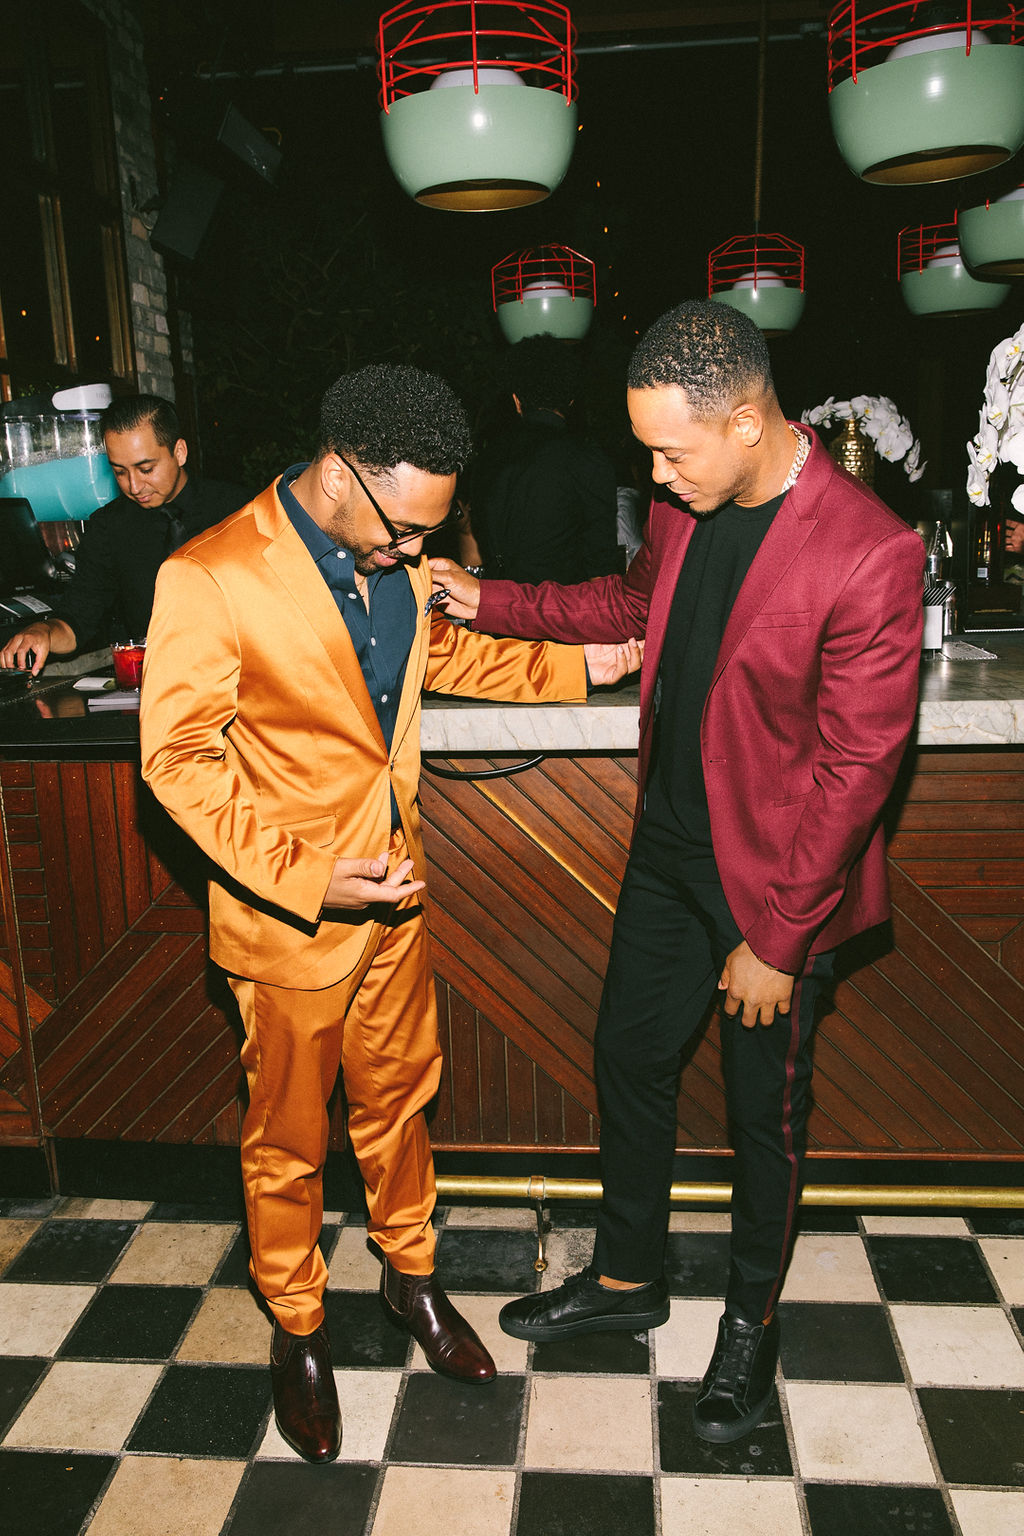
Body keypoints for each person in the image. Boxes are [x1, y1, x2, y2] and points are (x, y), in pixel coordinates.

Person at [430, 301, 924, 1445]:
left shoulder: (868, 548)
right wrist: (484, 598)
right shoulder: (687, 503)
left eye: (668, 450)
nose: (652, 472)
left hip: (774, 886)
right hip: (666, 850)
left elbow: (858, 768)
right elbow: (626, 605)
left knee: (764, 1114)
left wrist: (778, 939)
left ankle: (751, 1321)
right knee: (630, 1058)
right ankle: (626, 1278)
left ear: (745, 422)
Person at [139, 363, 638, 1465]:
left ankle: (411, 1282)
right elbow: (176, 764)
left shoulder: (396, 559)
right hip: (288, 916)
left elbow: (446, 652)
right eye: (404, 529)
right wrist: (308, 877)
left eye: (430, 532)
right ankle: (297, 1329)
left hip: (397, 897)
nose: (417, 552)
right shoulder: (209, 575)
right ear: (340, 473)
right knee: (288, 1141)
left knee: (401, 1102)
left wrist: (577, 668)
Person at [0, 395, 245, 675]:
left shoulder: (239, 511)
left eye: (146, 469)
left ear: (179, 452)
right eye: (119, 472)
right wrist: (44, 632)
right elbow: (78, 619)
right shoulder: (109, 527)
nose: (134, 486)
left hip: (243, 676)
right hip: (160, 681)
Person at [468, 334, 621, 584]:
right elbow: (601, 569)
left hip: (493, 602)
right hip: (559, 607)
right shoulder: (586, 460)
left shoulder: (487, 458)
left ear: (517, 401)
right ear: (570, 400)